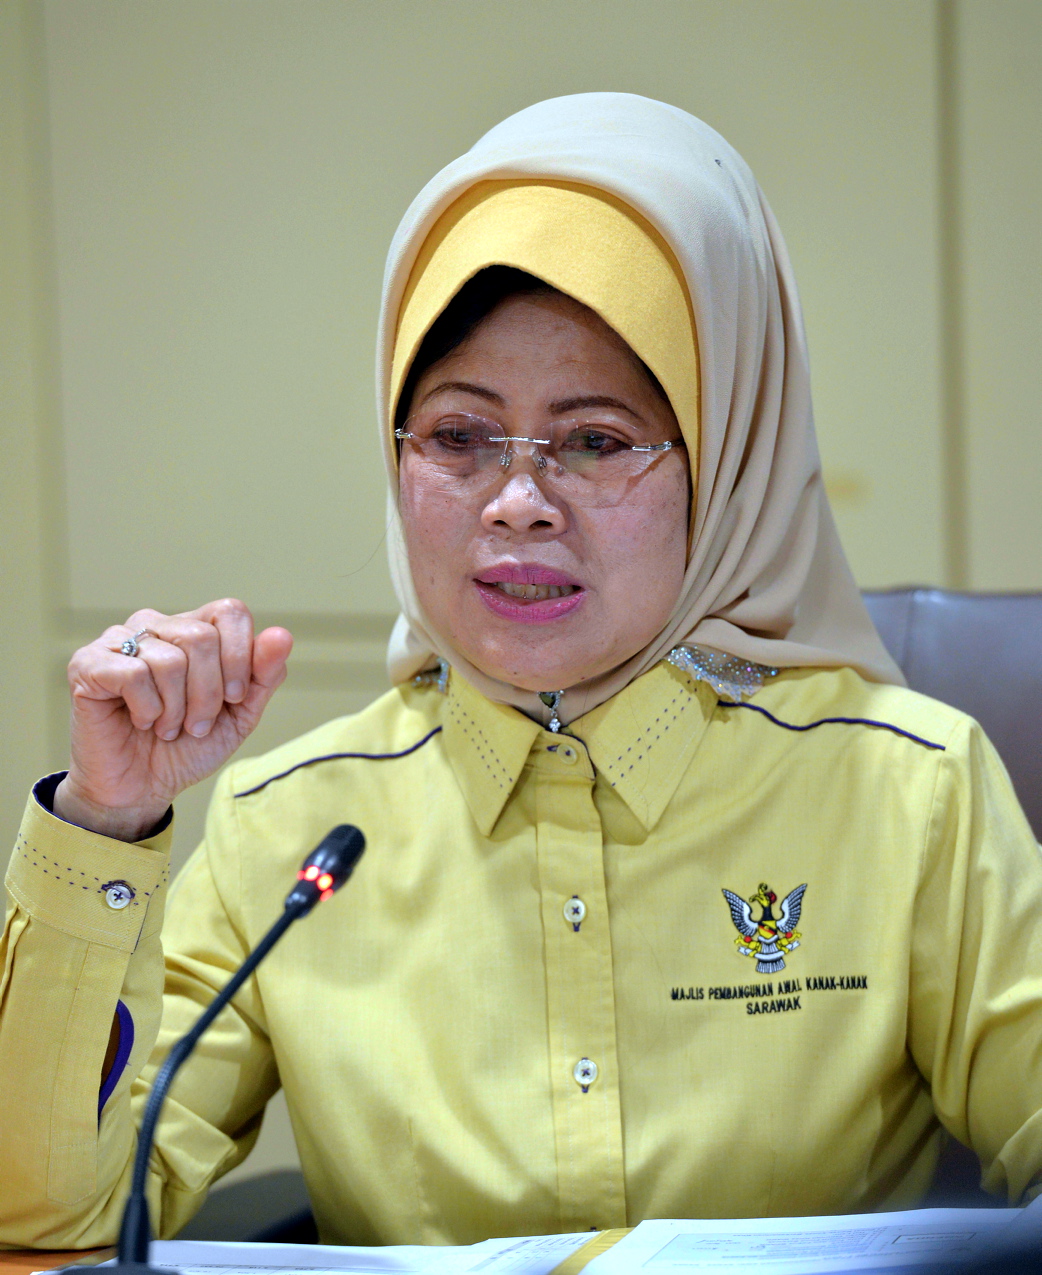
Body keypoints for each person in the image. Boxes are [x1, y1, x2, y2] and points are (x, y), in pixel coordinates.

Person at [2, 92, 1041, 1251]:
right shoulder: (293, 828)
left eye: (594, 441)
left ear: (725, 464)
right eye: (457, 437)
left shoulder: (909, 791)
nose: (516, 503)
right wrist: (105, 819)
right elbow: (53, 1216)